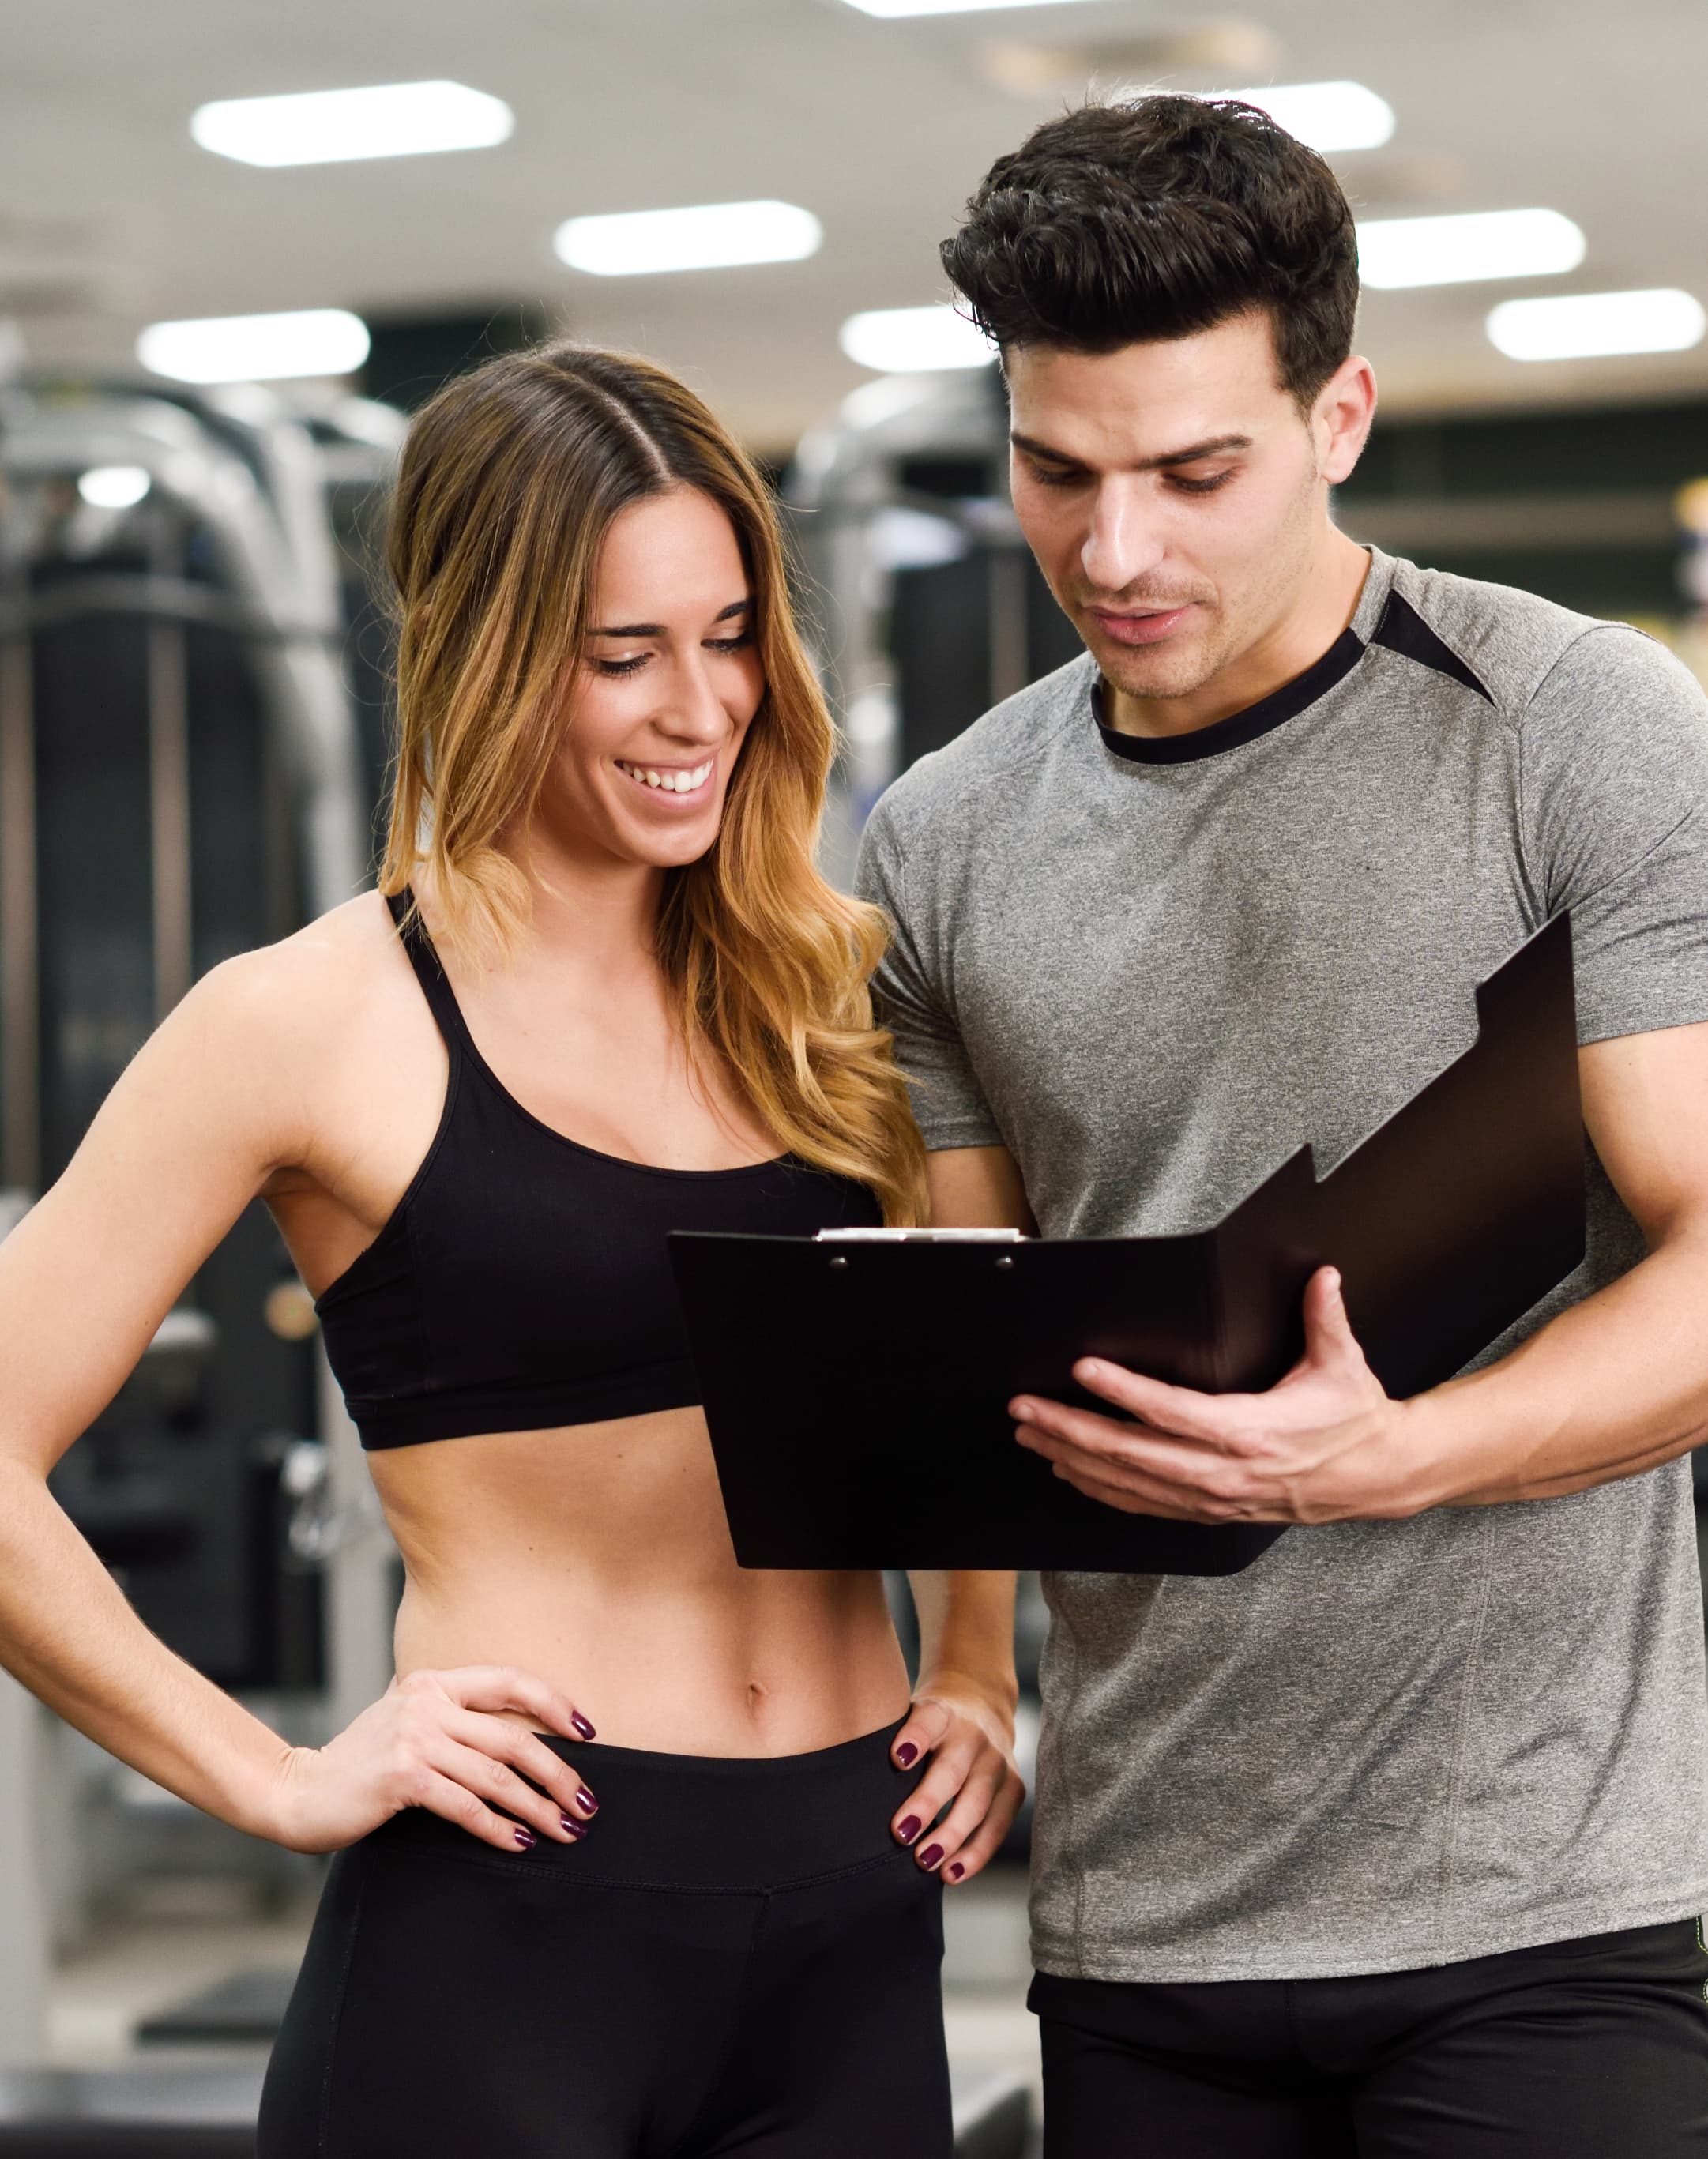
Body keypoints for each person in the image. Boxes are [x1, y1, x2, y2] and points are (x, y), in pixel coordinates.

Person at [0, 342, 1024, 2157]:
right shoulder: (305, 1019)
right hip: (513, 1928)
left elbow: (964, 1343)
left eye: (725, 636)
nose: (695, 705)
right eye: (621, 655)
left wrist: (973, 1665)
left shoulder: (837, 985)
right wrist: (276, 1770)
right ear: (481, 656)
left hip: (855, 1920)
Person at [857, 96, 1708, 2156]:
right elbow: (987, 1317)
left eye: (1192, 472)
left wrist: (1392, 1454)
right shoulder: (947, 837)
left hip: (1549, 1895)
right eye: (1054, 473)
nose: (1115, 548)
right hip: (1147, 1909)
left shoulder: (1576, 727)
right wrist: (969, 1666)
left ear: (1337, 420)